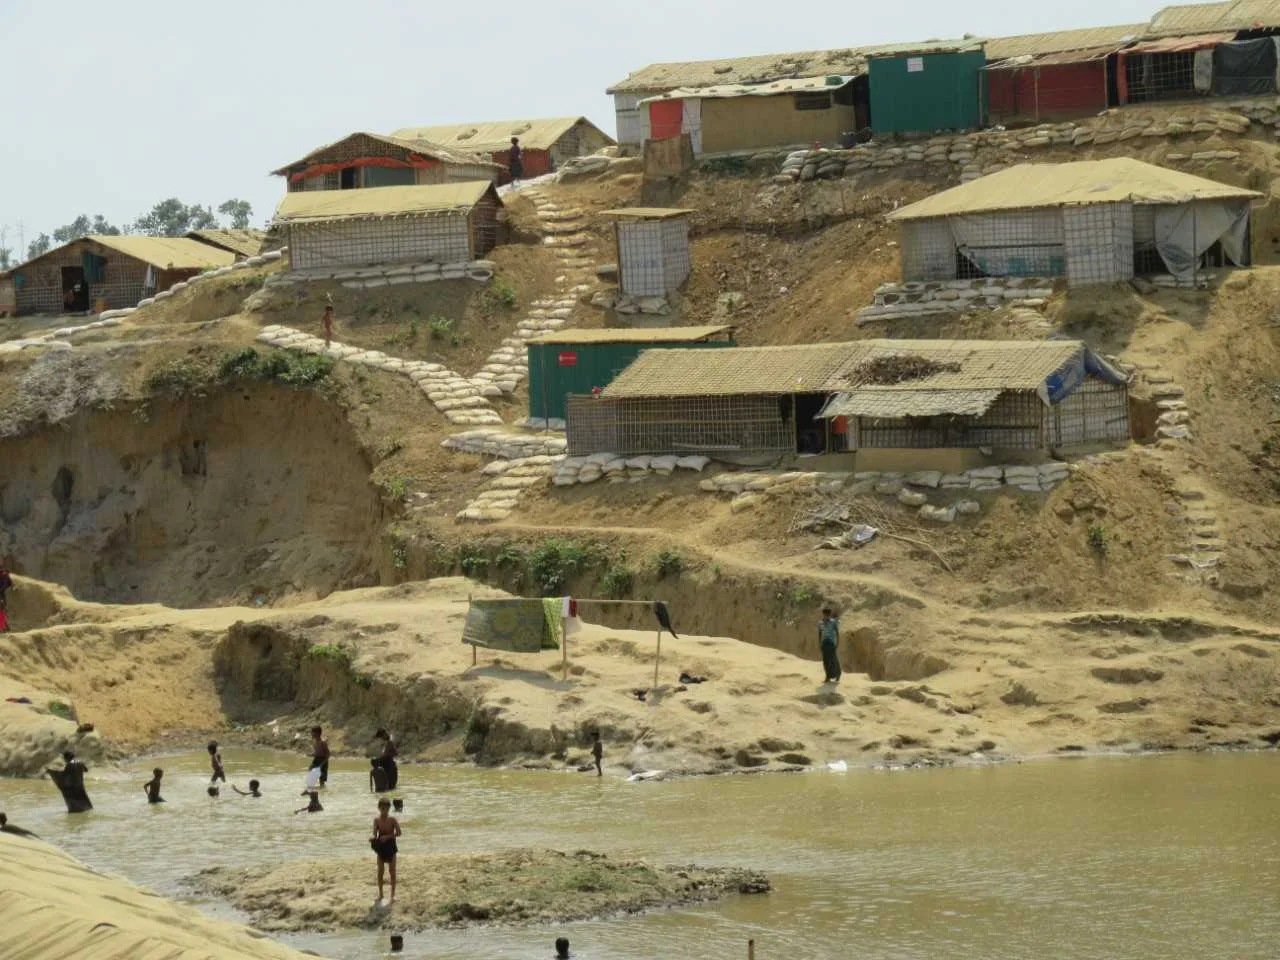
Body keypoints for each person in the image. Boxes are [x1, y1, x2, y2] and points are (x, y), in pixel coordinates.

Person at [370, 797, 401, 904]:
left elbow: (399, 833)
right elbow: (374, 833)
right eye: (382, 808)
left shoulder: (392, 819)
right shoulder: (376, 820)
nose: (384, 811)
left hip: (391, 845)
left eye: (386, 809)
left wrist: (387, 837)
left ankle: (393, 896)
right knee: (380, 871)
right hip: (381, 847)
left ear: (389, 808)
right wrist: (373, 837)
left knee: (392, 871)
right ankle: (381, 895)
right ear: (379, 808)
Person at [818, 606, 842, 684]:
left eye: (828, 614)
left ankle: (838, 674)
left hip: (831, 643)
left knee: (833, 660)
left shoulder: (833, 622)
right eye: (825, 614)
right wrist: (819, 643)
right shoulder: (820, 623)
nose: (826, 616)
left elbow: (837, 633)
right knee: (825, 661)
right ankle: (827, 677)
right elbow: (820, 633)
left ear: (830, 614)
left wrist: (837, 643)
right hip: (824, 643)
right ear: (823, 614)